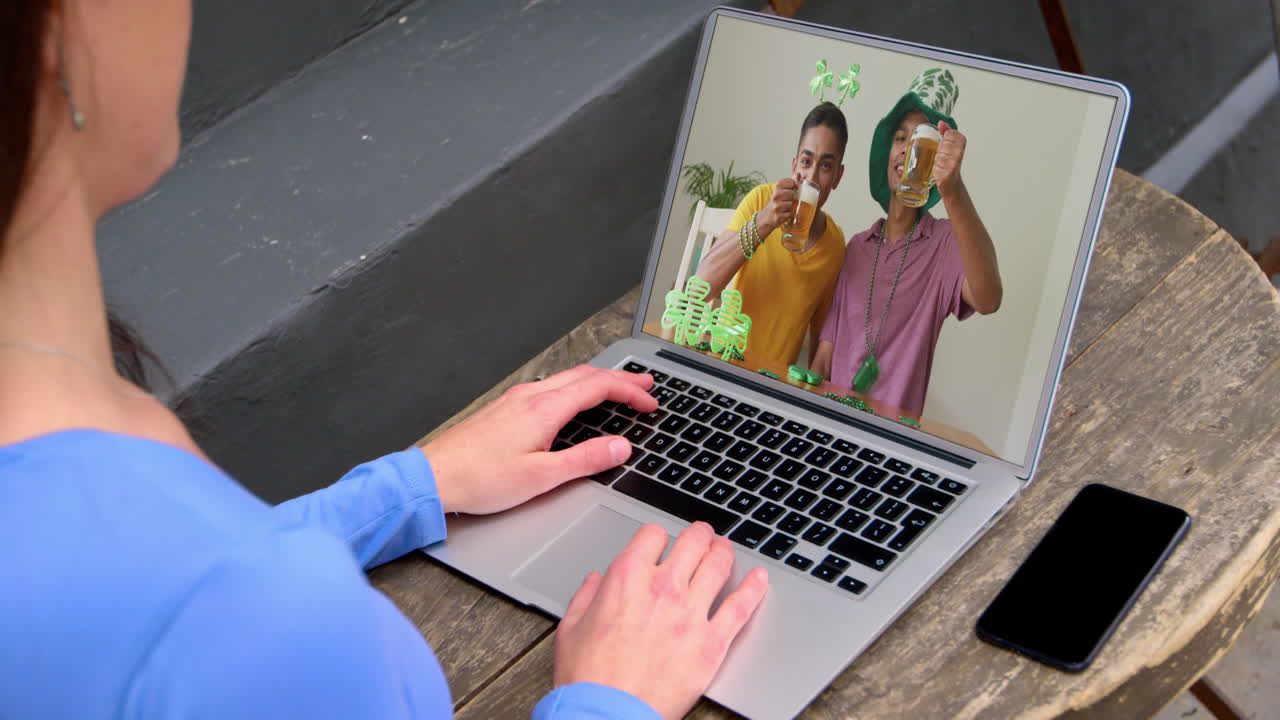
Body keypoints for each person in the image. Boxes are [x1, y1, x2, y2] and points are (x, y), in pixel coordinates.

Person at [0, 2, 768, 719]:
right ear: (56, 35)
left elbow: (140, 599)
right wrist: (611, 700)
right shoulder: (262, 626)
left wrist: (406, 489)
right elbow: (201, 618)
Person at [812, 69, 1002, 416]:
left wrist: (953, 189)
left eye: (921, 140)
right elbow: (825, 354)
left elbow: (989, 299)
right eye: (900, 139)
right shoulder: (856, 246)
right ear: (888, 152)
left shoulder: (944, 242)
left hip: (889, 442)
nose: (907, 150)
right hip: (828, 422)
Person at [693, 102, 848, 369]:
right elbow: (700, 288)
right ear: (794, 165)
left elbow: (821, 341)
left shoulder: (835, 245)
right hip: (723, 364)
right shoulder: (762, 201)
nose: (811, 177)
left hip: (772, 386)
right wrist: (765, 222)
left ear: (837, 177)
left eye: (825, 166)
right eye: (807, 161)